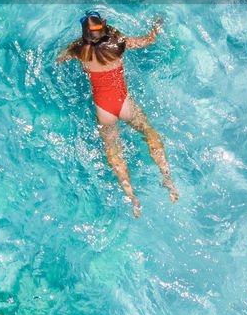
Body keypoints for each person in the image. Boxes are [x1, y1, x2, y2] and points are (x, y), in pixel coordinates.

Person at [57, 12, 178, 216]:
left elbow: (60, 58)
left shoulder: (79, 50)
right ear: (104, 27)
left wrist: (71, 52)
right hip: (124, 104)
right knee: (151, 135)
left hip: (104, 110)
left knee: (114, 154)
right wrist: (157, 26)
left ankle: (132, 198)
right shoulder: (117, 44)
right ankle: (168, 179)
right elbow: (149, 40)